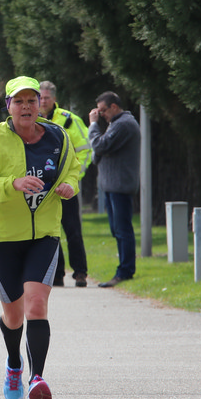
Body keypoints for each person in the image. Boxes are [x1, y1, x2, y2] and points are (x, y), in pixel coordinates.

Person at [0, 76, 80, 399]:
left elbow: (72, 169)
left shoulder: (58, 137)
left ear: (40, 104)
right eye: (19, 102)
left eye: (32, 101)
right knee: (13, 315)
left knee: (37, 305)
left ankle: (37, 379)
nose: (26, 107)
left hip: (44, 234)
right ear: (9, 107)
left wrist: (70, 186)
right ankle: (14, 363)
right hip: (2, 236)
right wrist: (11, 184)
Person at [38, 80, 91, 287]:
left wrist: (74, 179)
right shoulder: (31, 120)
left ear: (54, 99)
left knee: (73, 230)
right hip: (44, 188)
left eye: (46, 98)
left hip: (66, 187)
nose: (43, 102)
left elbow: (85, 150)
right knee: (50, 232)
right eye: (40, 98)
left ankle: (80, 273)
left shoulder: (69, 120)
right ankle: (57, 274)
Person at [88, 91, 141, 287]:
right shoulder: (115, 123)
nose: (101, 115)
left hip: (120, 186)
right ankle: (124, 269)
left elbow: (100, 146)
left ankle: (125, 271)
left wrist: (93, 125)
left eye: (103, 110)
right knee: (117, 229)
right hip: (112, 186)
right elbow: (99, 151)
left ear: (114, 107)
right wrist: (98, 147)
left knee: (122, 230)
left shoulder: (123, 124)